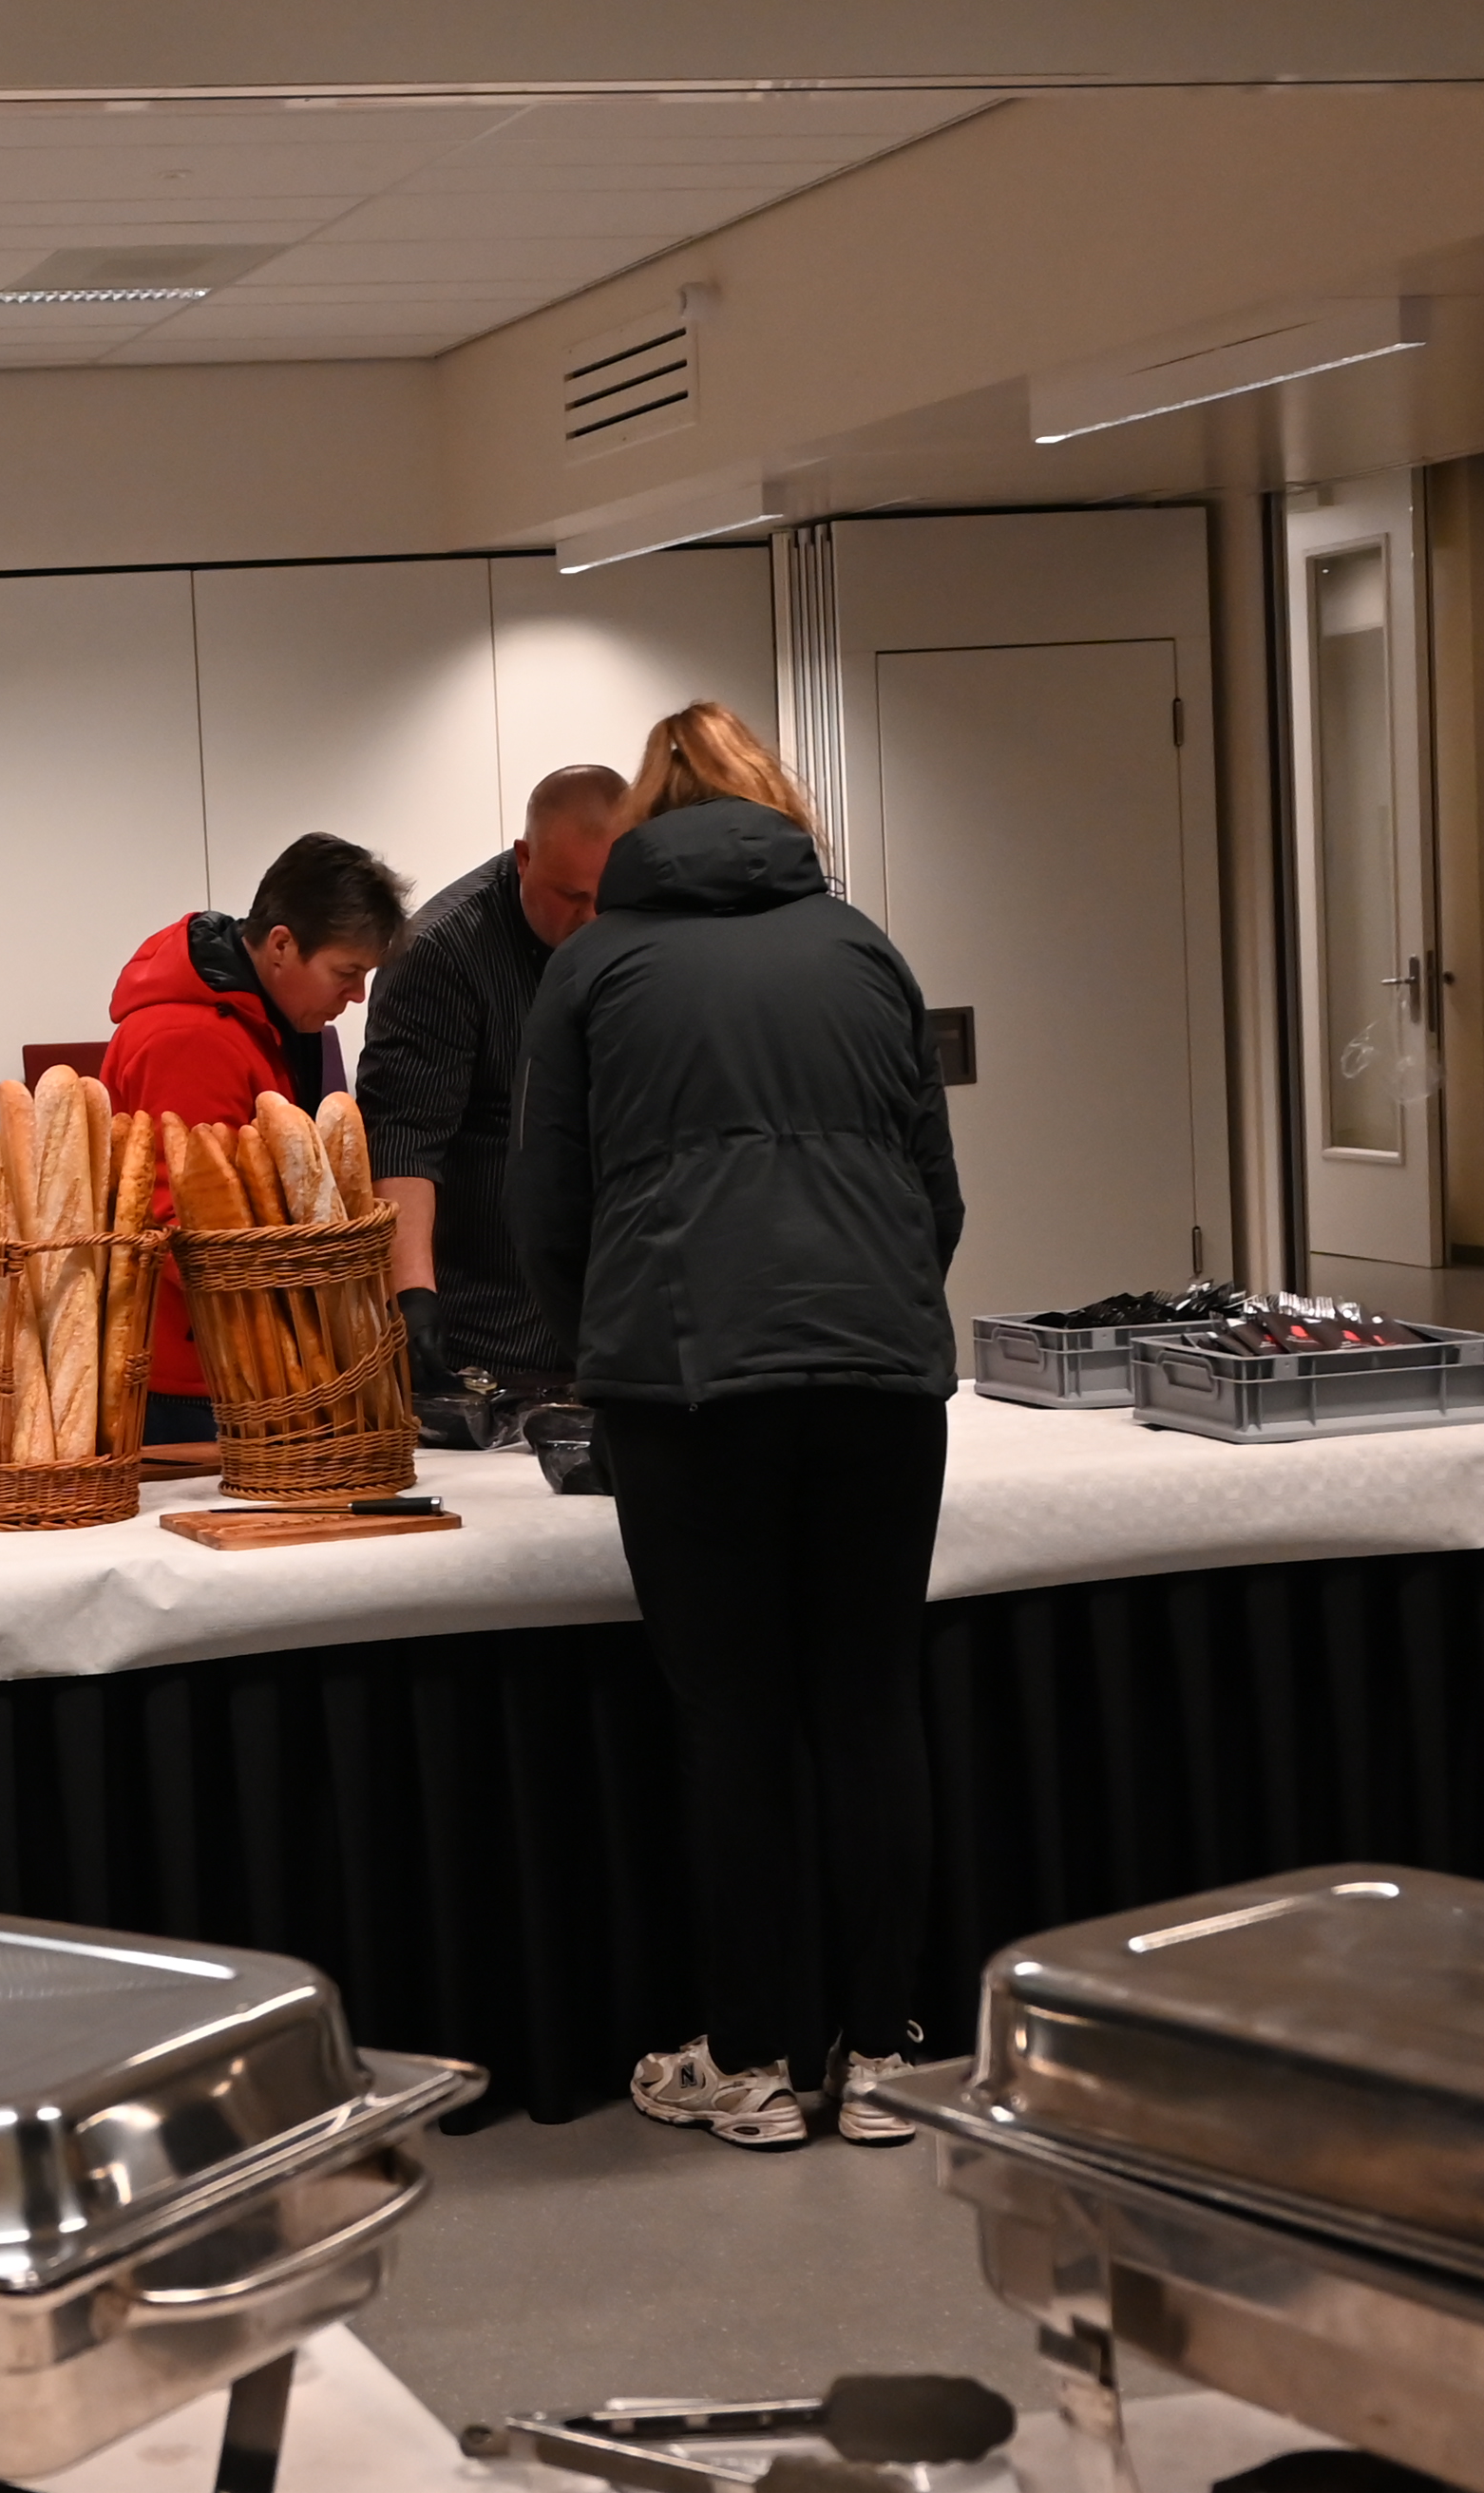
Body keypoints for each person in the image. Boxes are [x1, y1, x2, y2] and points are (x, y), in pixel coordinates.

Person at [505, 701, 963, 2154]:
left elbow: (545, 1207)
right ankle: (883, 2053)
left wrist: (605, 1341)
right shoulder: (864, 948)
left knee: (735, 1716)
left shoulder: (594, 966)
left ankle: (753, 2061)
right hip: (882, 1376)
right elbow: (936, 1191)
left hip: (688, 1387)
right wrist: (878, 1306)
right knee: (871, 1704)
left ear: (644, 822)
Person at [100, 834, 409, 1443]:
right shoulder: (194, 1040)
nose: (357, 996)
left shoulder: (259, 1025)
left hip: (220, 1360)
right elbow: (185, 1230)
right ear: (282, 945)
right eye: (346, 973)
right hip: (197, 1372)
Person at [355, 765, 626, 1403]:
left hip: (614, 1330)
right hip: (488, 1338)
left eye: (605, 896)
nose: (591, 917)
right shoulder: (441, 952)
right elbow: (403, 1136)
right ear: (524, 857)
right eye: (570, 896)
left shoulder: (640, 935)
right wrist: (412, 1296)